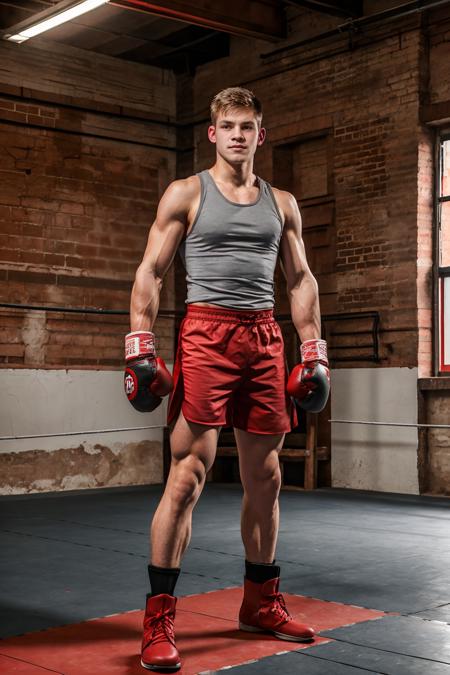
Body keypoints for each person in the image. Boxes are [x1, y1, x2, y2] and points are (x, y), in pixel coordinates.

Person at [124, 87, 330, 672]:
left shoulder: (282, 203)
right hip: (206, 334)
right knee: (188, 474)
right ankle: (159, 618)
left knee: (265, 476)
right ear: (212, 134)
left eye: (249, 126)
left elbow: (300, 280)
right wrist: (139, 342)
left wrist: (313, 351)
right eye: (229, 126)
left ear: (261, 135)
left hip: (265, 338)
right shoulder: (187, 193)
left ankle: (259, 603)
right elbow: (151, 270)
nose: (239, 135)